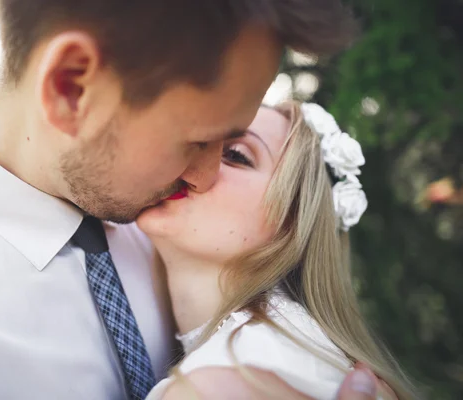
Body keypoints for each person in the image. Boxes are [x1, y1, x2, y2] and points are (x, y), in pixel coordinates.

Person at [0, 0, 387, 399]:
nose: (203, 177)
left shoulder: (192, 232)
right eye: (198, 140)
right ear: (71, 88)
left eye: (233, 148)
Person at [138, 102, 418, 399]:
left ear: (293, 222)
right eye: (197, 140)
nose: (195, 159)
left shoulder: (232, 384)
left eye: (235, 155)